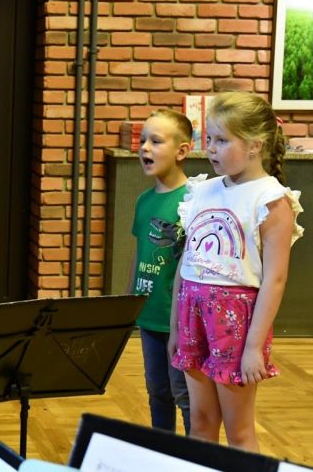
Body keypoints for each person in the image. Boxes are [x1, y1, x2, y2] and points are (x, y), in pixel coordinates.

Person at [168, 92, 304, 451]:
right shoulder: (201, 190)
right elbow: (186, 263)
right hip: (192, 313)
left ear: (255, 145)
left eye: (222, 140)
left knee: (239, 430)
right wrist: (175, 327)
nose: (211, 148)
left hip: (235, 324)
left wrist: (254, 347)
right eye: (208, 138)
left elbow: (275, 279)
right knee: (200, 421)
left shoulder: (271, 200)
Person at [128, 109, 193, 435]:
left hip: (180, 320)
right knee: (157, 390)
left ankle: (195, 454)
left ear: (182, 151)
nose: (144, 148)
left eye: (155, 141)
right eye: (142, 140)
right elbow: (139, 254)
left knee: (185, 395)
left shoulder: (193, 201)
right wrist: (128, 304)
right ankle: (162, 450)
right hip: (149, 316)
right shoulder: (143, 200)